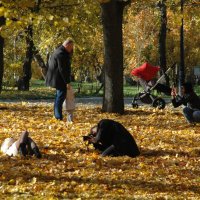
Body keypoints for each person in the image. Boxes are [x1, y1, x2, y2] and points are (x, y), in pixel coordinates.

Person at [46, 38, 74, 120]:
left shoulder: (59, 51)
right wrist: (67, 82)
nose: (71, 49)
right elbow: (63, 69)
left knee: (59, 97)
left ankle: (56, 115)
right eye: (71, 47)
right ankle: (58, 116)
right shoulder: (61, 54)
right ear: (67, 45)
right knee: (60, 98)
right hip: (59, 80)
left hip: (57, 79)